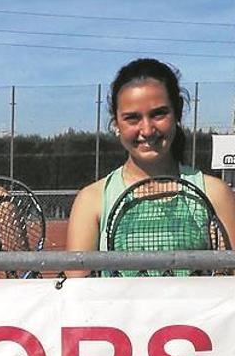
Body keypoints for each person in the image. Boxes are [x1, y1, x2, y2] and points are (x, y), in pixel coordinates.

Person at [66, 58, 235, 276]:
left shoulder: (215, 194)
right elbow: (77, 295)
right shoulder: (92, 200)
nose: (146, 130)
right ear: (116, 123)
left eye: (158, 114)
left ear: (178, 112)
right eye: (132, 118)